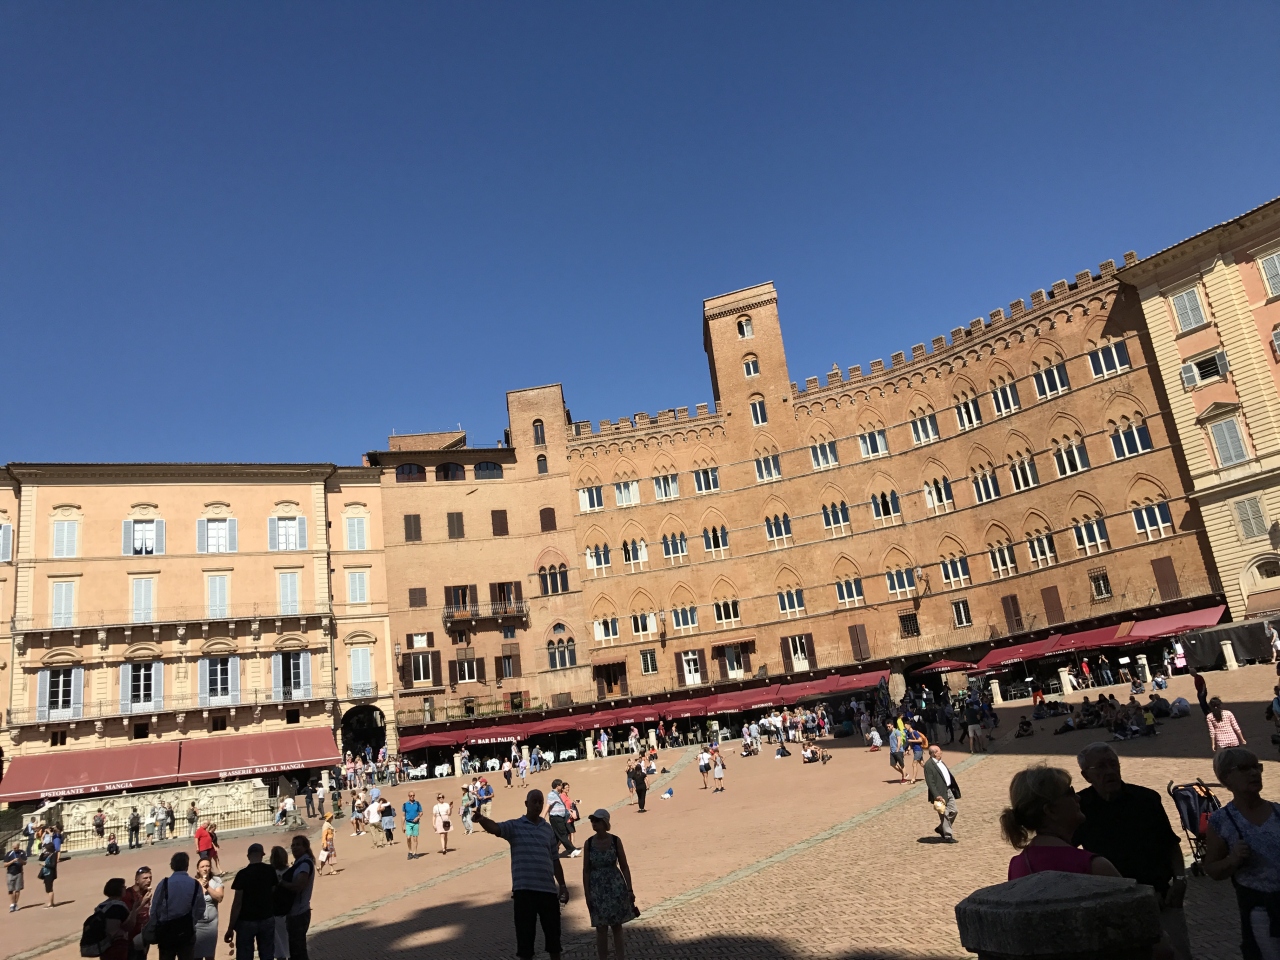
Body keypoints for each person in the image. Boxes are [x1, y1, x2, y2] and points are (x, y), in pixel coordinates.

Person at [1074, 743, 1190, 960]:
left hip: (1162, 899)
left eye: (1113, 764)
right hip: (1112, 906)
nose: (1110, 771)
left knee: (1178, 953)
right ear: (1086, 776)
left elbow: (1170, 843)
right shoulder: (1080, 808)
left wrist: (1180, 879)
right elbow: (1070, 855)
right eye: (1101, 767)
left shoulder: (1146, 798)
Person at [1203, 747, 1280, 959]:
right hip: (1261, 910)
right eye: (1245, 768)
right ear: (1226, 777)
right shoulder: (1221, 821)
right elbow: (1212, 869)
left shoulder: (1277, 812)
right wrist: (1232, 859)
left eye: (1257, 767)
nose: (1254, 773)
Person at [475, 789, 570, 960]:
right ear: (526, 804)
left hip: (548, 891)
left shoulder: (548, 830)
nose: (538, 805)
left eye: (540, 802)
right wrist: (481, 819)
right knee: (525, 943)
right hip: (524, 892)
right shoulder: (515, 826)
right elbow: (496, 828)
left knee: (554, 940)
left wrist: (562, 885)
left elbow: (555, 860)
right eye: (534, 801)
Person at [1001, 765, 1121, 878]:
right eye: (1070, 792)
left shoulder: (1017, 866)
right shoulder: (1095, 866)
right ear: (1051, 810)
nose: (1078, 797)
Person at [581, 809, 635, 960]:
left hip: (615, 887)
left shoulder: (615, 841)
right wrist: (587, 894)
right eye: (592, 820)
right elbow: (586, 870)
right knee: (601, 927)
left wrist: (629, 889)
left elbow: (624, 866)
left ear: (605, 822)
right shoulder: (589, 843)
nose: (594, 823)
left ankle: (620, 957)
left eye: (597, 820)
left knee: (617, 925)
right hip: (597, 888)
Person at [145, 851, 205, 960]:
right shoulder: (195, 884)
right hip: (187, 931)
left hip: (166, 931)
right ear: (187, 865)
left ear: (172, 866)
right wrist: (193, 921)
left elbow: (155, 908)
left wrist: (155, 924)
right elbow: (200, 908)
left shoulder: (164, 883)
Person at [223, 844, 278, 960]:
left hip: (246, 920)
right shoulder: (270, 870)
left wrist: (230, 927)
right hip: (267, 917)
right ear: (262, 855)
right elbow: (274, 891)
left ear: (248, 856)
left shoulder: (242, 874)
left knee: (244, 954)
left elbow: (237, 903)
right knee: (267, 953)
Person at [88, 877, 138, 960]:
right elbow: (129, 926)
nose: (125, 888)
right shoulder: (119, 906)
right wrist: (135, 909)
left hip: (104, 945)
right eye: (123, 886)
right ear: (118, 889)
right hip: (118, 945)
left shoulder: (100, 906)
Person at [923, 745, 960, 843]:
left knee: (954, 811)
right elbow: (930, 782)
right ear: (935, 753)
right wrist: (936, 795)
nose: (941, 752)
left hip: (948, 790)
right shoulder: (929, 765)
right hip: (939, 793)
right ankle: (948, 836)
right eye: (939, 751)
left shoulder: (940, 762)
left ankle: (941, 828)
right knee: (944, 814)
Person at [192, 859, 223, 960]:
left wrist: (208, 887)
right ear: (198, 869)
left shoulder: (216, 881)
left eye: (207, 866)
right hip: (197, 925)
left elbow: (219, 898)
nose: (205, 869)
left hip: (211, 925)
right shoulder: (193, 883)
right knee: (196, 955)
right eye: (202, 867)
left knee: (210, 955)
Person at [123, 865, 153, 960]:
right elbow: (127, 919)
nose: (149, 880)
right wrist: (143, 902)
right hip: (131, 938)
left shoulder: (145, 893)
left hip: (143, 936)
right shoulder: (128, 895)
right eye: (145, 878)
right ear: (137, 880)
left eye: (150, 878)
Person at [268, 846, 292, 959]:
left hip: (278, 912)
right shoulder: (290, 872)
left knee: (279, 944)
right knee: (287, 942)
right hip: (287, 911)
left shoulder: (271, 873)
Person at [547, 781, 578, 858]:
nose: (568, 789)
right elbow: (547, 807)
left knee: (559, 835)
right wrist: (542, 818)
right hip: (559, 818)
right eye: (565, 787)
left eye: (568, 787)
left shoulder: (560, 795)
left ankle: (552, 850)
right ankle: (572, 849)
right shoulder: (555, 795)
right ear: (558, 786)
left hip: (564, 817)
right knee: (564, 834)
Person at [37, 833, 58, 908]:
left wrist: (44, 865)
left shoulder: (53, 855)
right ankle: (51, 902)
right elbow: (40, 859)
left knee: (49, 889)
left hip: (50, 873)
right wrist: (43, 853)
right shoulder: (47, 854)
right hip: (46, 873)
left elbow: (53, 865)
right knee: (47, 889)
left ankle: (51, 903)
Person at [5, 839, 26, 912]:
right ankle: (12, 904)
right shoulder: (9, 853)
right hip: (10, 873)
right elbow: (5, 864)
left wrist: (20, 860)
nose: (15, 849)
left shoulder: (22, 853)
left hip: (19, 873)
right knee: (10, 889)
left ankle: (15, 904)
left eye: (16, 848)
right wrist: (12, 861)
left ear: (18, 847)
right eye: (13, 848)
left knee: (17, 889)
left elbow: (25, 863)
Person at [402, 791, 423, 860]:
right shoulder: (405, 804)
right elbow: (403, 816)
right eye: (411, 795)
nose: (412, 797)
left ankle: (415, 852)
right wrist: (402, 826)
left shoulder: (417, 803)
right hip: (408, 823)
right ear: (408, 796)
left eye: (413, 795)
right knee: (408, 837)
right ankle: (410, 851)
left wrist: (418, 817)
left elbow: (421, 812)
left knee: (415, 838)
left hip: (416, 823)